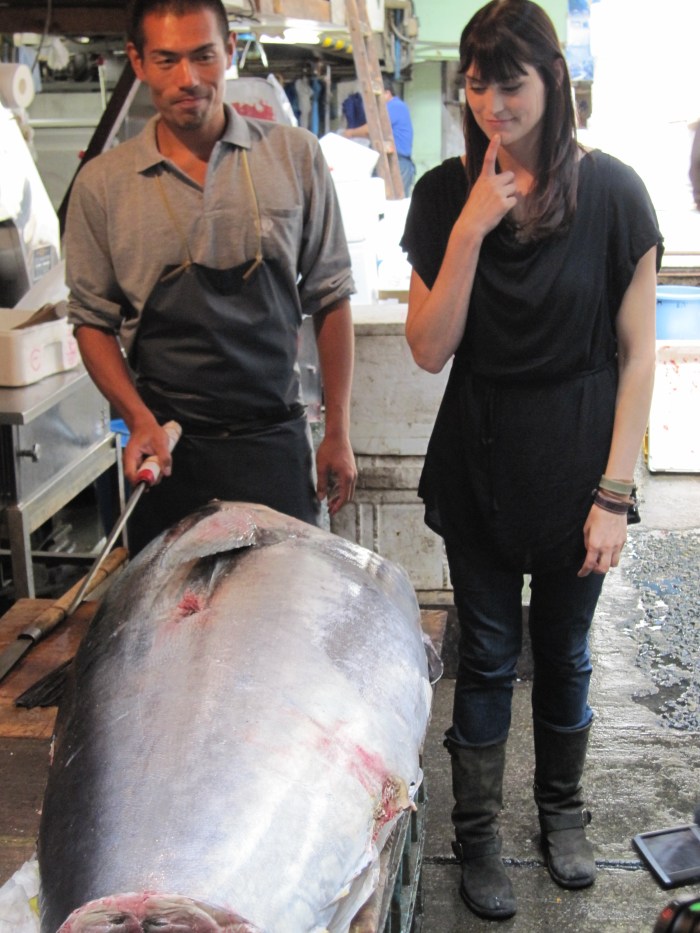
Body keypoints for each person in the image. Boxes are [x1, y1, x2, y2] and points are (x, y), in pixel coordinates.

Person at [400, 0, 662, 922]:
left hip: (577, 467)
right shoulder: (442, 195)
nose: (492, 104)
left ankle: (563, 814)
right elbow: (429, 348)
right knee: (487, 658)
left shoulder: (618, 195)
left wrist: (616, 496)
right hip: (476, 466)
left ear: (553, 81)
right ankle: (477, 837)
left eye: (510, 83)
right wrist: (470, 227)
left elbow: (638, 357)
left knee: (565, 652)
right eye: (477, 83)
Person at [65, 0, 357, 554]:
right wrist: (138, 418)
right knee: (174, 629)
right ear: (138, 60)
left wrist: (338, 432)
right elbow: (91, 322)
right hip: (168, 452)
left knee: (283, 619)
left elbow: (331, 297)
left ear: (230, 51)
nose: (189, 79)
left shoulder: (294, 157)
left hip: (275, 446)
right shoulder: (103, 186)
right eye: (167, 60)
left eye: (203, 56)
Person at [342, 75, 416, 196]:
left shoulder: (394, 106)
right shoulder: (395, 107)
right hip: (392, 162)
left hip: (398, 163)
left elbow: (372, 129)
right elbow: (375, 134)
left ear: (387, 93)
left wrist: (350, 133)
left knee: (394, 205)